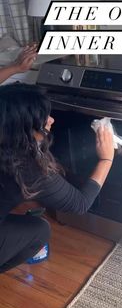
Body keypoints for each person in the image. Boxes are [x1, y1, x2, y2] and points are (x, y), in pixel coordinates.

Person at [0, 83, 114, 273]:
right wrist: (106, 158)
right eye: (44, 117)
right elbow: (80, 203)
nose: (51, 120)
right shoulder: (25, 166)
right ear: (24, 129)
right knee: (40, 230)